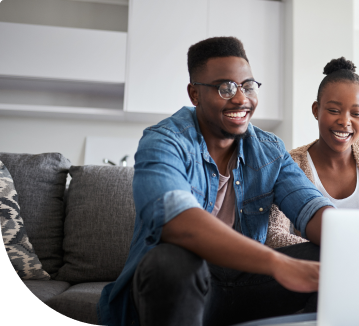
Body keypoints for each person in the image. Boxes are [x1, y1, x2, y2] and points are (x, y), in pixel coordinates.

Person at [97, 37, 336, 326]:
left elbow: (311, 208)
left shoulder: (269, 150)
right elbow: (177, 222)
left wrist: (355, 243)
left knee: (330, 255)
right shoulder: (164, 141)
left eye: (248, 86)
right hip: (184, 286)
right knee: (171, 262)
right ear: (194, 94)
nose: (240, 99)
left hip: (245, 285)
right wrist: (277, 263)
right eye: (226, 88)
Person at [265, 57, 359, 249]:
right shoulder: (291, 163)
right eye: (334, 110)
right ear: (316, 110)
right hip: (317, 269)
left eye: (356, 113)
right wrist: (338, 251)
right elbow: (274, 235)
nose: (345, 121)